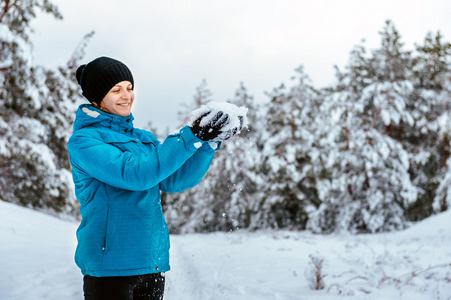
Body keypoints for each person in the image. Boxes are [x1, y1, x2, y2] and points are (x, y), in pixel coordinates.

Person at [68, 56, 244, 300]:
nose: (126, 96)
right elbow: (137, 175)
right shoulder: (85, 142)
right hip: (110, 266)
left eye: (129, 88)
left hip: (151, 262)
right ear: (97, 98)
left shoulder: (143, 139)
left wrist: (207, 142)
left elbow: (175, 179)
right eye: (116, 90)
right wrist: (190, 134)